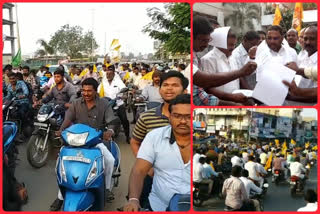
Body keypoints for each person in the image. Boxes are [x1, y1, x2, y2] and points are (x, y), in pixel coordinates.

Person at [50, 78, 117, 211]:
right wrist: (61, 130)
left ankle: (107, 188)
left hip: (95, 142)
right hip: (75, 141)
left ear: (95, 91)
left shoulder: (104, 104)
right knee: (61, 164)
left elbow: (111, 121)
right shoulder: (75, 103)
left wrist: (109, 131)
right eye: (84, 90)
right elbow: (68, 119)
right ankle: (60, 196)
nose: (86, 93)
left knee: (109, 160)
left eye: (89, 91)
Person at [130, 71, 188, 207]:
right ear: (159, 89)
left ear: (184, 90)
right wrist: (148, 166)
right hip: (155, 177)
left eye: (175, 85)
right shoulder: (146, 117)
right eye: (165, 85)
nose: (169, 88)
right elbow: (135, 142)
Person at [98, 65, 130, 143]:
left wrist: (123, 95)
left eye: (110, 74)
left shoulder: (118, 81)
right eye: (107, 74)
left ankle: (127, 136)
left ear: (113, 74)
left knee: (124, 120)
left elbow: (124, 89)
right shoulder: (103, 82)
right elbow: (98, 91)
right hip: (106, 104)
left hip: (118, 103)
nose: (108, 75)